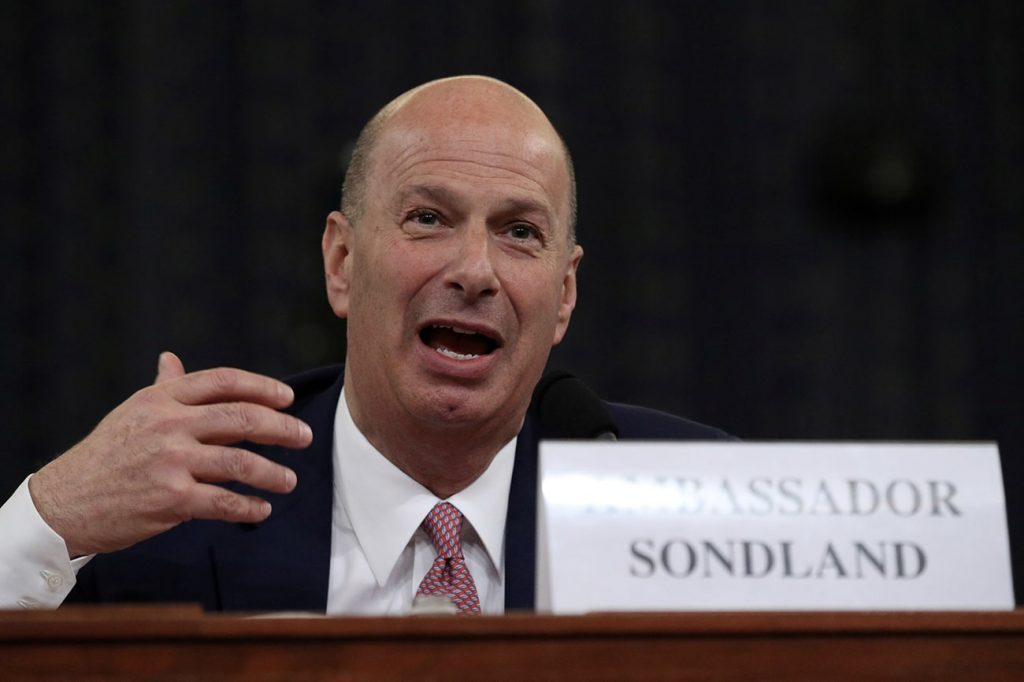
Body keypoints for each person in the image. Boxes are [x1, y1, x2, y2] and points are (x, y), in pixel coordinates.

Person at [0, 75, 730, 614]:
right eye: (428, 218)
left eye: (519, 232)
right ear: (342, 263)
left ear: (564, 293)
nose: (475, 271)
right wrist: (51, 514)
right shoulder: (186, 509)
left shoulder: (690, 500)